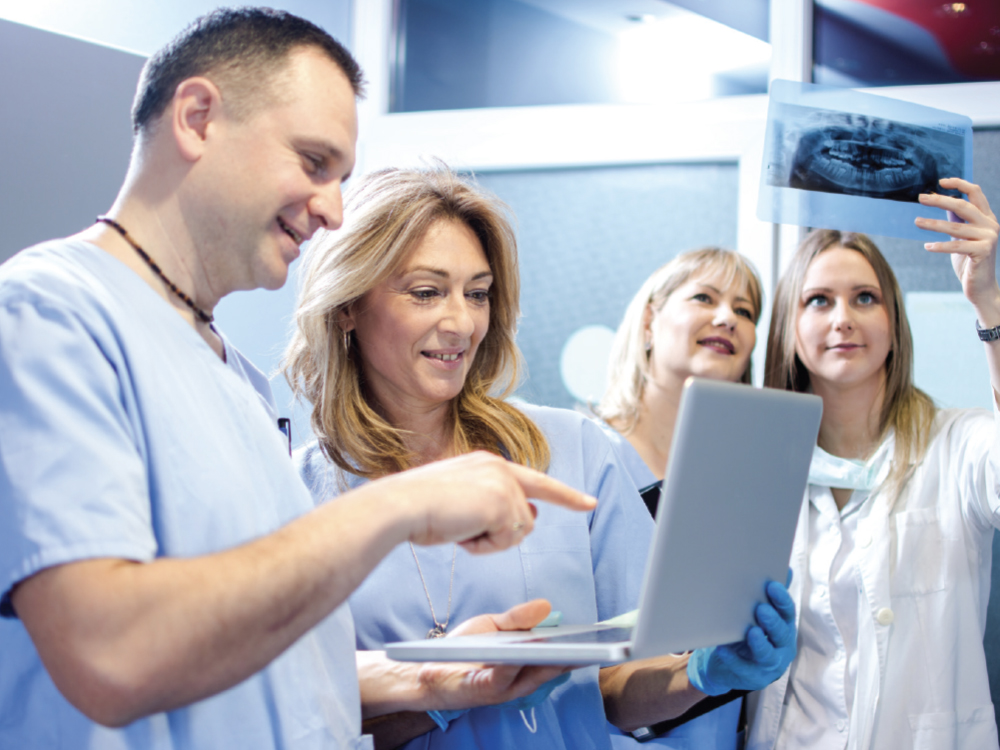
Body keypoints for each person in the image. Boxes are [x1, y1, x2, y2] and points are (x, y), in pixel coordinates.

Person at [0, 10, 599, 749]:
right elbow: (111, 652)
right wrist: (396, 506)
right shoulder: (50, 316)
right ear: (196, 118)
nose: (333, 209)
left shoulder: (227, 375)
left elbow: (246, 643)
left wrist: (427, 678)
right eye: (314, 163)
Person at [285, 166, 798, 750]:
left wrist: (702, 673)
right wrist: (444, 695)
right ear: (347, 304)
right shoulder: (295, 494)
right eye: (426, 292)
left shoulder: (568, 451)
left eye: (477, 294)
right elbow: (298, 719)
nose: (461, 323)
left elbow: (613, 686)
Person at [747, 178, 1000, 750]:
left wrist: (990, 304)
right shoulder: (756, 473)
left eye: (865, 297)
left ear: (894, 323)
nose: (843, 318)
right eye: (819, 300)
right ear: (789, 327)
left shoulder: (959, 445)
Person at [595, 248, 764, 748]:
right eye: (704, 297)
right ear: (650, 320)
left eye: (745, 310)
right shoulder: (588, 457)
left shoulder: (748, 480)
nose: (726, 318)